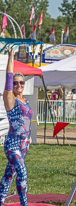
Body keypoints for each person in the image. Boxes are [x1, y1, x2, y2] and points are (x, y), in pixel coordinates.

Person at [0, 47, 33, 205]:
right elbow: (8, 79)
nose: (18, 85)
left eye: (21, 82)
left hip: (24, 145)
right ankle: (24, 204)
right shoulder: (10, 99)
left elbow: (26, 120)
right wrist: (10, 58)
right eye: (15, 83)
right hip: (12, 145)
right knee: (22, 172)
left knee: (9, 175)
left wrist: (29, 135)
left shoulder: (25, 101)